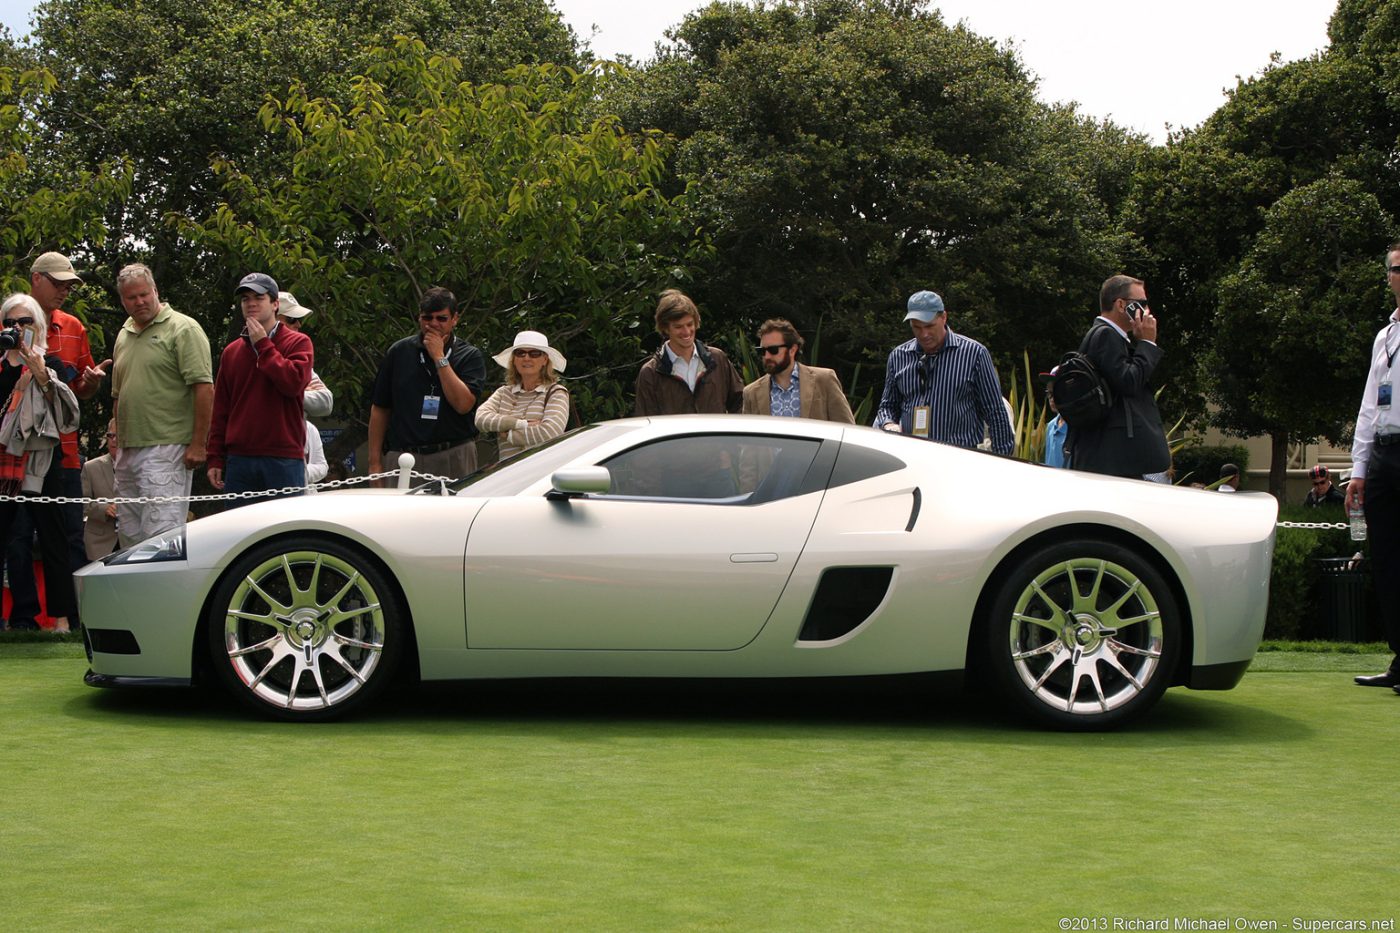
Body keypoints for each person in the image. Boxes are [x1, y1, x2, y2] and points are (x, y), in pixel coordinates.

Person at [111, 263, 214, 549]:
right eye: (131, 297)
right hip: (128, 450)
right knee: (129, 538)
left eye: (144, 294)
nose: (140, 301)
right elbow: (118, 394)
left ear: (156, 290)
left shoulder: (183, 328)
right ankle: (136, 594)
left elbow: (204, 387)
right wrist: (118, 440)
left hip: (167, 447)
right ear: (122, 300)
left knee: (162, 537)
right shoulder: (124, 333)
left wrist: (198, 444)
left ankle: (164, 594)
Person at [0, 294, 80, 633]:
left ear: (39, 326)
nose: (18, 329)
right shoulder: (2, 366)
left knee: (55, 540)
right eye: (11, 323)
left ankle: (63, 619)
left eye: (25, 322)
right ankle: (20, 620)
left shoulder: (54, 365)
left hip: (46, 463)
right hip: (6, 465)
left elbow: (69, 417)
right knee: (10, 540)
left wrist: (39, 373)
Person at [206, 273, 313, 503]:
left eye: (258, 297)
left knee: (284, 533)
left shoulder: (298, 342)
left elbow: (293, 384)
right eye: (245, 298)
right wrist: (215, 457)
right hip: (240, 460)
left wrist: (263, 345)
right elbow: (221, 409)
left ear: (275, 304)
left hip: (283, 458)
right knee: (238, 532)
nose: (251, 303)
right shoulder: (232, 352)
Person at [1347, 241, 1400, 690]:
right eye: (1398, 269)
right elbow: (1369, 405)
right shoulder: (1385, 337)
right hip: (1384, 454)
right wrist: (1359, 469)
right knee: (1386, 559)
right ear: (1388, 278)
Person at [874, 290, 1013, 454]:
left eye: (929, 326)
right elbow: (887, 406)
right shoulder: (898, 356)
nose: (924, 334)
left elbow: (995, 412)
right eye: (916, 327)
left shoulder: (974, 354)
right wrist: (889, 423)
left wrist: (1002, 461)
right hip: (912, 459)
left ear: (944, 317)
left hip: (959, 460)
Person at [369, 287, 485, 480]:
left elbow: (463, 405)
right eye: (427, 318)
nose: (433, 324)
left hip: (453, 454)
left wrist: (439, 357)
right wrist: (374, 464)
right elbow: (380, 408)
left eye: (441, 318)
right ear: (419, 318)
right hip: (404, 457)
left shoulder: (469, 355)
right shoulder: (399, 352)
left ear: (455, 319)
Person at [1064, 275, 1171, 481]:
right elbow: (1128, 382)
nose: (1146, 311)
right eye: (1141, 304)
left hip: (1110, 458)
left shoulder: (1110, 336)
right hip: (1112, 460)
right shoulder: (1105, 335)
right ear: (1121, 305)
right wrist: (1147, 344)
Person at [634, 289, 743, 415]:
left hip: (716, 435)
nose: (686, 332)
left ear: (696, 322)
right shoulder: (650, 373)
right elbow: (646, 421)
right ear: (665, 328)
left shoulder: (717, 359)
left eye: (690, 324)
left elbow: (740, 401)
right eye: (678, 327)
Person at [473, 330, 571, 459]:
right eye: (520, 353)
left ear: (545, 360)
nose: (526, 358)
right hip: (509, 472)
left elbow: (550, 432)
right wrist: (520, 424)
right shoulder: (504, 392)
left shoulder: (556, 392)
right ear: (514, 359)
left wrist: (508, 435)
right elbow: (480, 419)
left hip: (542, 471)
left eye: (534, 353)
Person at [740, 318, 855, 423]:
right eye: (762, 351)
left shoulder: (824, 380)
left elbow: (847, 428)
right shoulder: (751, 393)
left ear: (792, 350)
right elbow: (748, 442)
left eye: (773, 350)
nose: (767, 356)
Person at [276, 292, 333, 419]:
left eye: (299, 320)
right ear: (272, 319)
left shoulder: (297, 357)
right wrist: (300, 392)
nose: (298, 324)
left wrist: (295, 395)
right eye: (291, 319)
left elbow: (326, 402)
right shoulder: (249, 354)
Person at [81, 420, 119, 561]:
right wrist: (104, 509)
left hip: (132, 540)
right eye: (110, 436)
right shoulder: (91, 467)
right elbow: (82, 503)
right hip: (100, 543)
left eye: (118, 436)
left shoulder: (141, 468)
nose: (113, 441)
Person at [1039, 366, 1068, 468]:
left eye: (1055, 393)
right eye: (1049, 393)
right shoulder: (1051, 425)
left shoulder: (1076, 427)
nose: (1051, 399)